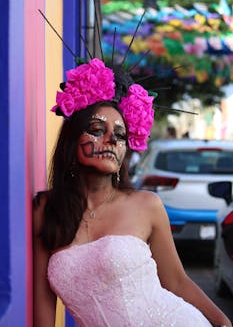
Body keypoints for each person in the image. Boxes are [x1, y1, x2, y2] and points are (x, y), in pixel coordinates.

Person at [33, 58, 232, 327]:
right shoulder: (46, 209)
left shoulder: (146, 204)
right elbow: (43, 306)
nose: (111, 140)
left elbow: (176, 281)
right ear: (72, 140)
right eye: (96, 130)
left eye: (120, 135)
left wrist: (221, 321)